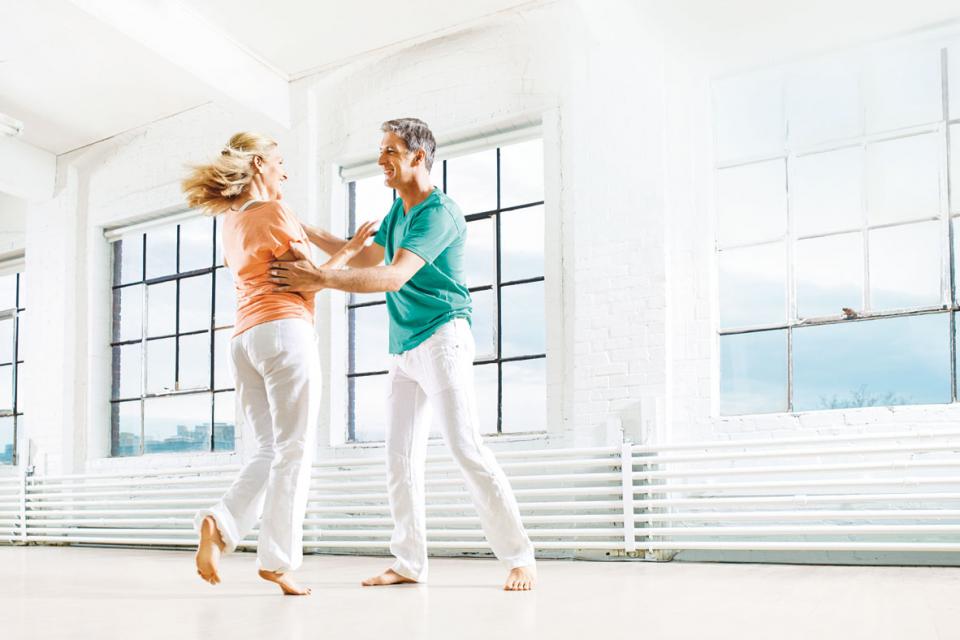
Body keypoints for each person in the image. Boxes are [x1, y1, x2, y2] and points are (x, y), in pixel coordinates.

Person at [270, 118, 537, 591]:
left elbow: (394, 276)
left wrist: (321, 279)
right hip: (404, 348)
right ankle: (409, 562)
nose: (381, 161)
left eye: (390, 151)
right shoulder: (398, 212)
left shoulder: (440, 212)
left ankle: (520, 557)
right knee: (398, 459)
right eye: (381, 150)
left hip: (444, 338)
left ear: (418, 156)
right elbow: (367, 256)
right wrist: (300, 227)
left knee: (466, 448)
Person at [181, 132, 375, 595]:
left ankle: (220, 522)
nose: (286, 172)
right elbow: (308, 284)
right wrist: (349, 251)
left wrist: (343, 250)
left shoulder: (230, 222)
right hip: (285, 332)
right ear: (260, 166)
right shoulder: (276, 212)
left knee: (268, 450)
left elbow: (292, 273)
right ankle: (278, 561)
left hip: (244, 339)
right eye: (281, 162)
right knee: (294, 450)